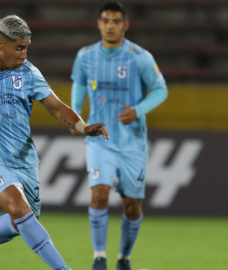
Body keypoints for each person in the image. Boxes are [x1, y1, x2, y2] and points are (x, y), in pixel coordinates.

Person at [0, 15, 109, 270]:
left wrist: (83, 126)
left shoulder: (29, 73)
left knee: (21, 222)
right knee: (20, 210)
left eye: (26, 48)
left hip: (24, 162)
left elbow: (57, 107)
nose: (23, 54)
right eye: (19, 48)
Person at [70, 2, 168, 270]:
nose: (110, 25)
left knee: (132, 206)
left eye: (115, 21)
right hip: (100, 139)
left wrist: (138, 110)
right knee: (99, 193)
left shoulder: (139, 57)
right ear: (99, 24)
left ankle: (123, 259)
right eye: (105, 20)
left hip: (132, 142)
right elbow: (79, 83)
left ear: (125, 24)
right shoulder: (86, 56)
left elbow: (161, 90)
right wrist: (76, 113)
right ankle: (99, 258)